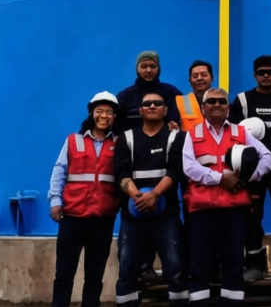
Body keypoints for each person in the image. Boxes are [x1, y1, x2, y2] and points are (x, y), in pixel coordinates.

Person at [182, 87, 271, 306]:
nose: (216, 105)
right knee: (200, 263)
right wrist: (221, 178)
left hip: (234, 210)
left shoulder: (241, 134)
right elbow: (189, 167)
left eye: (221, 102)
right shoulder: (192, 134)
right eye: (211, 101)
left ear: (228, 107)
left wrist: (249, 177)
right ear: (203, 107)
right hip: (202, 211)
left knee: (233, 262)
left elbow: (268, 157)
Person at [48, 92, 122, 307]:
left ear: (115, 117)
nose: (104, 115)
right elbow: (59, 170)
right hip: (72, 217)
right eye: (100, 111)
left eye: (109, 112)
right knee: (63, 274)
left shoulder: (119, 144)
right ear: (91, 113)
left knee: (95, 276)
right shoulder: (73, 141)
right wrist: (55, 200)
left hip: (102, 218)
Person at [115, 91, 189, 306]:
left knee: (176, 269)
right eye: (147, 104)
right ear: (140, 110)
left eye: (158, 103)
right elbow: (121, 173)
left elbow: (176, 171)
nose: (152, 106)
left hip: (167, 217)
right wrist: (138, 197)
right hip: (132, 218)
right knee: (127, 270)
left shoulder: (176, 138)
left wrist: (155, 194)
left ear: (166, 110)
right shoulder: (126, 139)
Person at [229, 55, 271, 282]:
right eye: (262, 72)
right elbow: (232, 135)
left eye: (270, 72)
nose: (266, 75)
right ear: (254, 74)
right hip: (252, 172)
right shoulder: (242, 100)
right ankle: (255, 263)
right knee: (252, 216)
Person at [116, 51, 183, 134]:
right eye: (144, 66)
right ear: (137, 69)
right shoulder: (124, 96)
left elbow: (190, 119)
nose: (148, 70)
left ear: (158, 69)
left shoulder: (173, 92)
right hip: (133, 145)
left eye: (152, 66)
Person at [176, 59, 214, 131]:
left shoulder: (222, 102)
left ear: (212, 78)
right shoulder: (179, 103)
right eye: (195, 76)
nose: (199, 78)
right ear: (189, 80)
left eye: (204, 75)